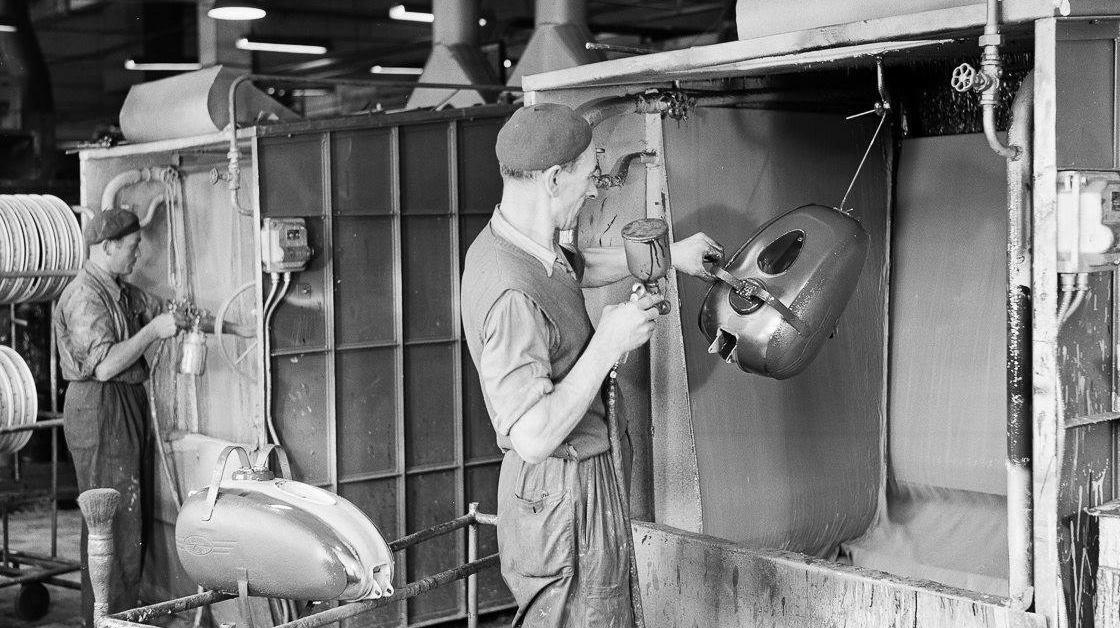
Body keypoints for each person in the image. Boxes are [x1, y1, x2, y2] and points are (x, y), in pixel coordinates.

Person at [460, 104, 723, 627]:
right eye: (590, 176)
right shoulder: (512, 296)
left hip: (573, 485)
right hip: (564, 494)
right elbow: (533, 435)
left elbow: (576, 267)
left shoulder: (515, 243)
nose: (596, 190)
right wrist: (608, 343)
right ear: (555, 179)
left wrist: (668, 255)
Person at [53, 208, 252, 626]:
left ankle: (119, 615)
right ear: (108, 247)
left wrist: (238, 328)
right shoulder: (84, 295)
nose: (138, 254)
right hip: (100, 406)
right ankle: (105, 618)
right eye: (132, 246)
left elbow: (177, 316)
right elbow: (104, 367)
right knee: (111, 519)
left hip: (125, 403)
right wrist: (152, 331)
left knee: (130, 518)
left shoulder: (122, 291)